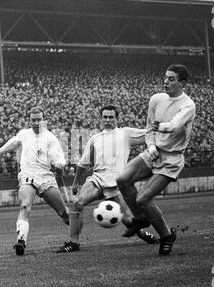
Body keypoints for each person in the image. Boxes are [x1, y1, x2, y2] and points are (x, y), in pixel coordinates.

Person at [116, 64, 196, 255]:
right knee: (122, 179)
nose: (165, 81)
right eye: (165, 77)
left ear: (182, 83)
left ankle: (166, 236)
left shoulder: (188, 105)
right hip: (153, 152)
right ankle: (141, 218)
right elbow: (149, 129)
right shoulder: (156, 99)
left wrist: (160, 127)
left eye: (171, 79)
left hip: (171, 159)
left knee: (143, 198)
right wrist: (151, 146)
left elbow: (174, 126)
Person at [57, 104, 158, 253]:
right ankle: (73, 242)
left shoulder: (126, 134)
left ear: (117, 118)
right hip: (97, 179)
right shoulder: (95, 139)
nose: (108, 120)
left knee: (130, 220)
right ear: (101, 119)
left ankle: (144, 233)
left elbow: (149, 134)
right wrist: (75, 183)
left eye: (111, 117)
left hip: (118, 183)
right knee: (77, 203)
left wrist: (162, 127)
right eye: (105, 117)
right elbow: (83, 163)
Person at [0, 106, 70, 256]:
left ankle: (74, 237)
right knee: (25, 206)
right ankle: (21, 241)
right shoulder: (24, 134)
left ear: (44, 120)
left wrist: (60, 163)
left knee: (64, 213)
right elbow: (13, 142)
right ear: (29, 120)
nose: (36, 123)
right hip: (28, 175)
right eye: (33, 120)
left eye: (39, 120)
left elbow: (60, 157)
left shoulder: (50, 138)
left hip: (45, 177)